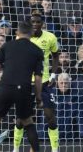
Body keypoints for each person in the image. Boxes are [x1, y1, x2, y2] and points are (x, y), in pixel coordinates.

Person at [0, 21, 44, 152]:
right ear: (32, 33)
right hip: (24, 89)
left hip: (6, 87)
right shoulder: (37, 51)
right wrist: (38, 97)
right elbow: (38, 78)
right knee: (28, 122)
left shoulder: (7, 45)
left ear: (17, 32)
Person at [13, 12, 60, 152]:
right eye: (32, 22)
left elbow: (56, 55)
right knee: (21, 119)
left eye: (38, 22)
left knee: (50, 117)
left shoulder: (50, 37)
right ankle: (16, 149)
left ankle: (55, 149)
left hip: (44, 83)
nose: (35, 24)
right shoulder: (21, 37)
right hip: (26, 82)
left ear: (42, 23)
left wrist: (53, 75)